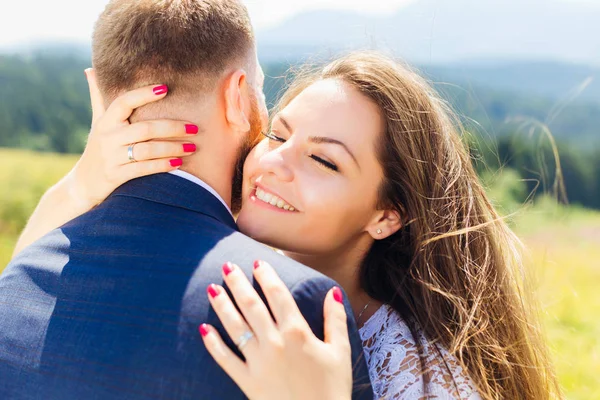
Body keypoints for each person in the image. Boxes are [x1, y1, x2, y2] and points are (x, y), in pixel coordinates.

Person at [11, 48, 562, 399]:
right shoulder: (215, 266)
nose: (273, 162)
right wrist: (87, 179)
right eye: (277, 134)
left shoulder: (417, 376)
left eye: (323, 160)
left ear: (386, 215)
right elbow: (23, 274)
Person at [0, 1, 373, 399]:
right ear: (235, 96)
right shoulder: (288, 308)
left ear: (101, 94)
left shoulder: (15, 286)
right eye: (259, 90)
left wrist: (78, 185)